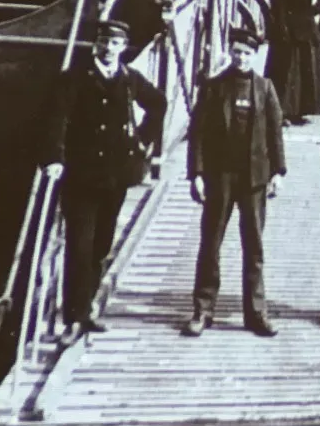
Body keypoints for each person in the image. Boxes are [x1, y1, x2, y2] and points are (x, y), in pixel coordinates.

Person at [42, 20, 167, 347]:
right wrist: (54, 158)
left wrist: (143, 141)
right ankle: (73, 318)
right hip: (80, 175)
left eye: (114, 44)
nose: (108, 48)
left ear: (123, 48)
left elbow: (159, 103)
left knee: (100, 247)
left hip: (115, 176)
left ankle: (88, 309)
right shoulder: (75, 78)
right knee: (79, 248)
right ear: (96, 44)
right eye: (103, 42)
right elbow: (57, 119)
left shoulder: (128, 79)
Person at [184, 27, 285, 338]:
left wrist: (278, 172)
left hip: (253, 178)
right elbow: (198, 134)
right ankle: (203, 310)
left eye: (247, 53)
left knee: (253, 246)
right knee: (211, 243)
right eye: (237, 51)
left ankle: (256, 314)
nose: (241, 57)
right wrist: (197, 174)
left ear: (256, 55)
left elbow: (275, 132)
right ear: (230, 51)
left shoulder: (265, 88)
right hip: (220, 176)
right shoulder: (214, 87)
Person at [265, 0, 320, 126]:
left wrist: (315, 8)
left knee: (305, 71)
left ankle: (300, 111)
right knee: (286, 72)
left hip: (307, 31)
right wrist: (282, 29)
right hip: (288, 31)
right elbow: (279, 7)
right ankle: (281, 111)